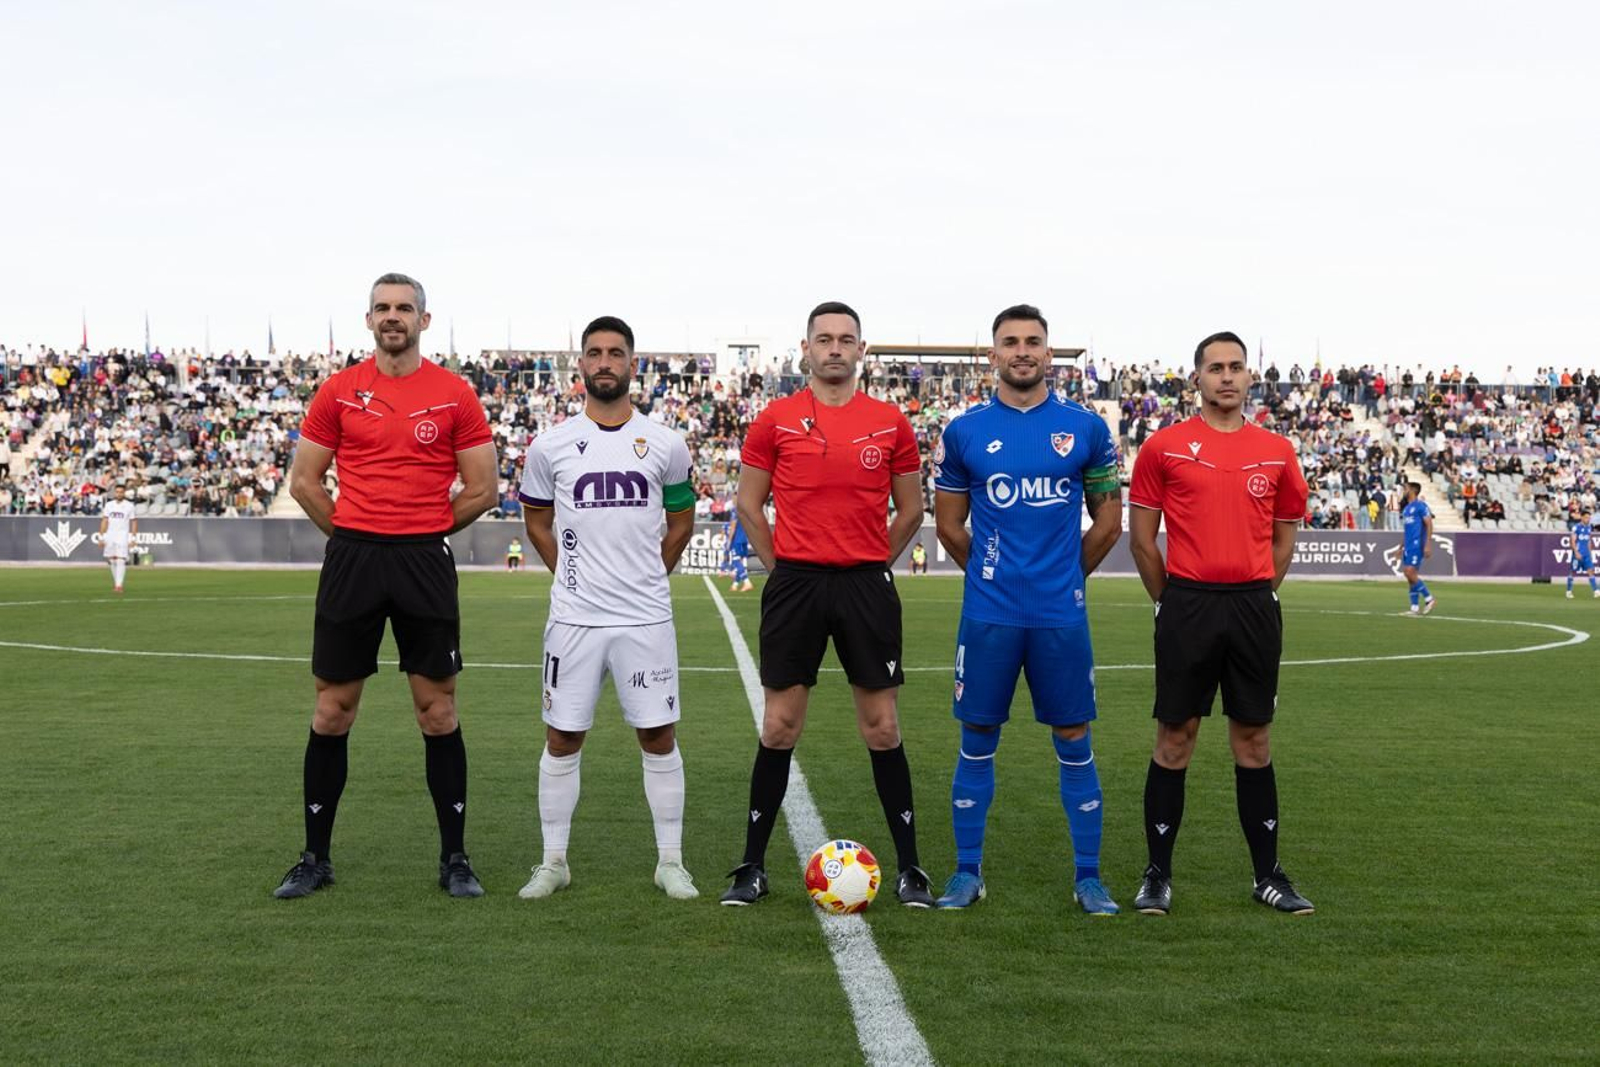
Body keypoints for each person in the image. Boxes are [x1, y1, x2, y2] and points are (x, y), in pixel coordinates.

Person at [273, 272, 498, 900]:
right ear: (368, 320)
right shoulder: (339, 392)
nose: (392, 316)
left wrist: (419, 528)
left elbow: (483, 488)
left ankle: (455, 858)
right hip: (354, 561)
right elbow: (305, 483)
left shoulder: (455, 394)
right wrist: (352, 532)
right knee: (332, 710)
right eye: (382, 308)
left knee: (437, 711)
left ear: (425, 321)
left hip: (423, 562)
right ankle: (314, 858)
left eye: (404, 308)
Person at [721, 301, 934, 907]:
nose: (835, 348)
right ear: (806, 349)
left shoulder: (890, 421)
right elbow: (748, 505)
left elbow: (912, 510)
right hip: (796, 585)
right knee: (780, 726)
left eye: (846, 339)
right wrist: (781, 566)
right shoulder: (775, 420)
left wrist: (870, 562)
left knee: (883, 727)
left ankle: (911, 868)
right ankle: (751, 867)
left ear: (861, 350)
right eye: (824, 339)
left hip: (865, 585)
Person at [930, 305, 1124, 914]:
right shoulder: (964, 432)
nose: (1022, 351)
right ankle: (967, 873)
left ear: (1049, 353)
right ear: (993, 355)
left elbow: (1109, 522)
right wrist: (993, 576)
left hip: (1058, 616)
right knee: (977, 735)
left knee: (1073, 735)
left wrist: (1065, 576)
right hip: (989, 615)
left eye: (1033, 342)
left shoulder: (1086, 429)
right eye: (1010, 342)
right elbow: (949, 525)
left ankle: (1088, 878)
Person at [1127, 331, 1315, 916]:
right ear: (1198, 378)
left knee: (1253, 741)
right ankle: (1157, 874)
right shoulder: (1165, 447)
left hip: (1253, 606)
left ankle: (1268, 875)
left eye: (1236, 367)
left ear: (1250, 378)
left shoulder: (1277, 451)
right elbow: (1141, 540)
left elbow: (1284, 538)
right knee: (1175, 738)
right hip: (1187, 605)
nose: (1227, 377)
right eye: (1216, 368)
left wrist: (1257, 590)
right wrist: (1172, 600)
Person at [516, 316, 699, 901]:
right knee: (562, 737)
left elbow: (682, 519)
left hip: (645, 617)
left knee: (658, 735)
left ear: (633, 364)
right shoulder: (549, 446)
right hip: (573, 619)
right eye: (593, 353)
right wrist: (572, 575)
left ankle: (670, 862)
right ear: (581, 366)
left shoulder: (667, 442)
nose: (603, 362)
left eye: (615, 353)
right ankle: (553, 862)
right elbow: (537, 521)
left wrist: (648, 573)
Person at [1400, 482, 1437, 615]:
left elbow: (1429, 524)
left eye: (1405, 488)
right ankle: (1414, 608)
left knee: (1409, 572)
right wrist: (1400, 547)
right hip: (1408, 545)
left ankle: (1429, 598)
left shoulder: (1421, 505)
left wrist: (1428, 543)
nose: (1403, 490)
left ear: (1412, 491)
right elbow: (1406, 530)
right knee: (1410, 577)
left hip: (1417, 544)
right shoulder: (1406, 509)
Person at [99, 483, 137, 594]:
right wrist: (101, 536)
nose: (119, 494)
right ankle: (116, 582)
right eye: (117, 492)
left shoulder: (129, 506)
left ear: (124, 493)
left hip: (122, 535)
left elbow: (134, 521)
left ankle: (119, 585)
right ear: (115, 492)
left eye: (121, 492)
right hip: (110, 534)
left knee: (121, 559)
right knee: (111, 559)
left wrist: (133, 537)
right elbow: (105, 520)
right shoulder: (109, 505)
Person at [1568, 508, 1596, 599]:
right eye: (1586, 518)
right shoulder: (1576, 527)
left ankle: (1596, 591)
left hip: (1586, 554)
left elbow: (1588, 541)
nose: (1588, 519)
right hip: (1578, 553)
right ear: (1582, 517)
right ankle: (1569, 591)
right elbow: (1572, 540)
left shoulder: (1589, 527)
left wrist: (1590, 553)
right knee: (1573, 571)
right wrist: (1576, 552)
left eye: (1589, 518)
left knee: (1591, 570)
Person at [723, 511, 753, 592]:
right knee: (740, 564)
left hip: (737, 541)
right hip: (744, 540)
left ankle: (747, 582)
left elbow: (732, 528)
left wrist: (728, 542)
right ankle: (735, 585)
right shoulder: (746, 511)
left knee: (737, 562)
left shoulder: (735, 511)